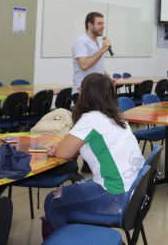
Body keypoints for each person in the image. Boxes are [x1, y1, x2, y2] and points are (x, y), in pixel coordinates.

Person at [44, 74, 144, 231]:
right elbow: (97, 145)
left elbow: (63, 153)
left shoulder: (90, 119)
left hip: (115, 196)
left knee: (53, 200)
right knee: (73, 195)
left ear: (85, 94)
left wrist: (60, 148)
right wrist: (70, 147)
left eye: (80, 90)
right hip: (134, 195)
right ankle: (82, 233)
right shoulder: (117, 117)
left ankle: (66, 238)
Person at [71, 12, 112, 96]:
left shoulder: (99, 43)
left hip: (98, 90)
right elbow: (84, 65)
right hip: (83, 91)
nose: (103, 26)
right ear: (90, 25)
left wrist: (108, 79)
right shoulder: (80, 42)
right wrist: (102, 50)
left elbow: (97, 66)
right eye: (99, 23)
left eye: (103, 23)